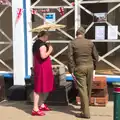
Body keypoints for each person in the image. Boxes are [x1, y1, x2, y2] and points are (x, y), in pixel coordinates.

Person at [68, 27, 99, 119]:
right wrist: (94, 68)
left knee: (82, 90)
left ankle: (85, 113)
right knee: (88, 89)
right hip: (90, 67)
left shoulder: (72, 43)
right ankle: (84, 107)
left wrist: (71, 70)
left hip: (79, 67)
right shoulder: (90, 43)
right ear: (84, 34)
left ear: (76, 34)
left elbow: (70, 58)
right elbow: (96, 57)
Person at [32, 31, 54, 116]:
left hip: (39, 66)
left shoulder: (36, 43)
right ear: (44, 36)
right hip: (42, 68)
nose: (47, 38)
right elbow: (43, 56)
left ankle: (41, 104)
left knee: (41, 86)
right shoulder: (41, 45)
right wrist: (50, 50)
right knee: (38, 88)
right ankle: (35, 108)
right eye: (47, 36)